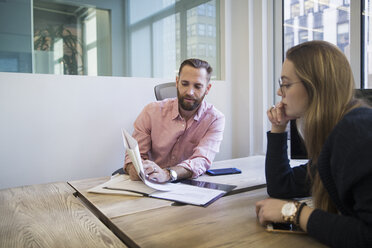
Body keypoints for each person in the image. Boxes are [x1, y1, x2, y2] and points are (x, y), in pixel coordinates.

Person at [255, 40, 372, 247]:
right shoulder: (337, 137)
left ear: (316, 86)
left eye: (286, 84)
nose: (280, 93)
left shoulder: (355, 132)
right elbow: (282, 186)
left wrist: (295, 213)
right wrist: (278, 128)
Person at [124, 58, 225, 183]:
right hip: (150, 183)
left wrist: (168, 174)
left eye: (197, 86)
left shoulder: (214, 119)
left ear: (207, 88)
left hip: (186, 184)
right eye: (185, 84)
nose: (190, 92)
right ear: (177, 82)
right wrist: (137, 170)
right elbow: (133, 158)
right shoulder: (151, 112)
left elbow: (202, 160)